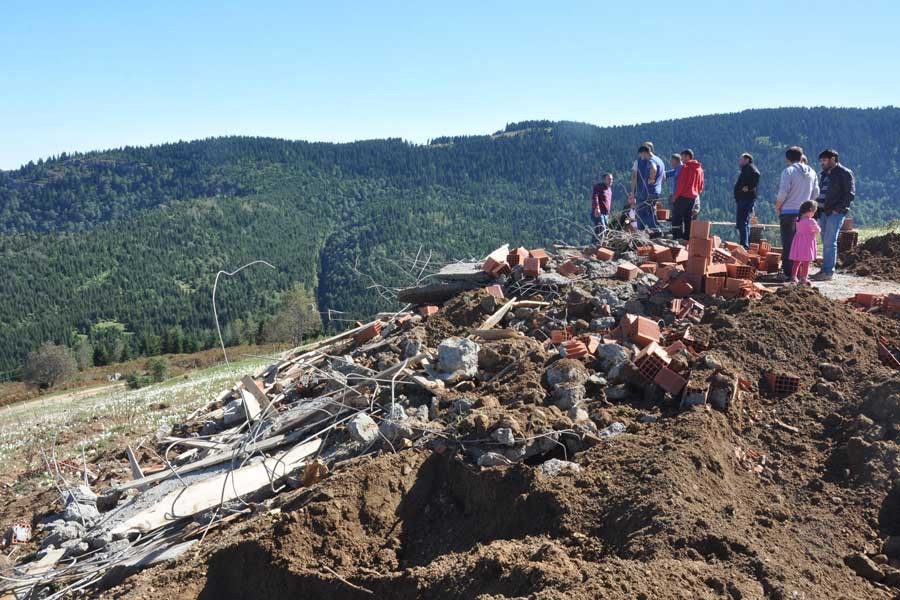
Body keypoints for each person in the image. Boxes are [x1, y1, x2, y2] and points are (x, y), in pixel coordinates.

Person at [775, 146, 820, 280]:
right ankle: (802, 274)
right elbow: (816, 193)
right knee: (804, 244)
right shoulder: (812, 172)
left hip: (788, 212)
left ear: (787, 158)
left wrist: (778, 206)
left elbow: (783, 192)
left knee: (789, 244)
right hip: (805, 213)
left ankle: (789, 273)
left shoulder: (788, 171)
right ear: (801, 157)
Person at [810, 148, 855, 281]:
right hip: (823, 212)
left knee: (830, 242)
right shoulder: (824, 174)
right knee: (826, 242)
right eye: (821, 161)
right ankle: (824, 270)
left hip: (834, 213)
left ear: (833, 159)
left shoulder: (845, 173)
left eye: (824, 160)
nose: (822, 163)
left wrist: (838, 209)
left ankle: (828, 272)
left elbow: (850, 194)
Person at [670, 149, 704, 239]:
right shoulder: (699, 169)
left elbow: (681, 184)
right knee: (688, 218)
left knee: (677, 217)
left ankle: (677, 237)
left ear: (687, 157)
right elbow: (701, 184)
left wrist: (675, 196)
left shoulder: (685, 167)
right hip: (693, 197)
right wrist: (696, 193)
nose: (681, 159)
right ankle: (687, 238)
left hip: (682, 196)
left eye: (683, 157)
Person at [629, 145, 662, 236]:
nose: (641, 157)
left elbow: (653, 168)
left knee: (641, 212)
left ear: (644, 152)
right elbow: (663, 177)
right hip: (656, 191)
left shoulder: (650, 161)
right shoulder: (660, 160)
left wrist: (651, 179)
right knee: (651, 211)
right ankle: (653, 231)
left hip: (647, 192)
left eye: (641, 154)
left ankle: (649, 232)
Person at [789, 201, 821, 285]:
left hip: (798, 242)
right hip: (807, 244)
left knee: (797, 261)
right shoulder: (811, 221)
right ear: (810, 210)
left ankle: (793, 277)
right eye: (814, 211)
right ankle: (803, 278)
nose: (814, 214)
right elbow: (818, 230)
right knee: (806, 261)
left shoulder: (798, 219)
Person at [733, 153, 761, 248]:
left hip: (746, 199)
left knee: (743, 222)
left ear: (747, 159)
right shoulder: (746, 169)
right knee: (744, 222)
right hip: (744, 198)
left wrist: (749, 187)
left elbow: (756, 175)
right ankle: (745, 243)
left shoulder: (750, 168)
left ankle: (744, 244)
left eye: (741, 159)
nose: (739, 161)